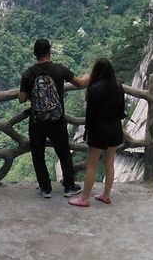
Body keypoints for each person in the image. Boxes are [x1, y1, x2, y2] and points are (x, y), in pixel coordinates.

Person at [19, 38, 89, 198]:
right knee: (63, 152)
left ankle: (45, 188)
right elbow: (80, 83)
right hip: (57, 120)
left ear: (35, 54)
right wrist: (88, 76)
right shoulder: (59, 70)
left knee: (38, 154)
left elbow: (22, 99)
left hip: (37, 121)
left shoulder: (28, 74)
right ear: (49, 51)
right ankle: (69, 187)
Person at [69, 57, 126, 207]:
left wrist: (88, 131)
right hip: (114, 128)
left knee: (92, 165)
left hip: (98, 130)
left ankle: (84, 199)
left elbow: (90, 116)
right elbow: (121, 111)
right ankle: (106, 195)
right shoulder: (118, 86)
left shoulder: (95, 89)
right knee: (110, 163)